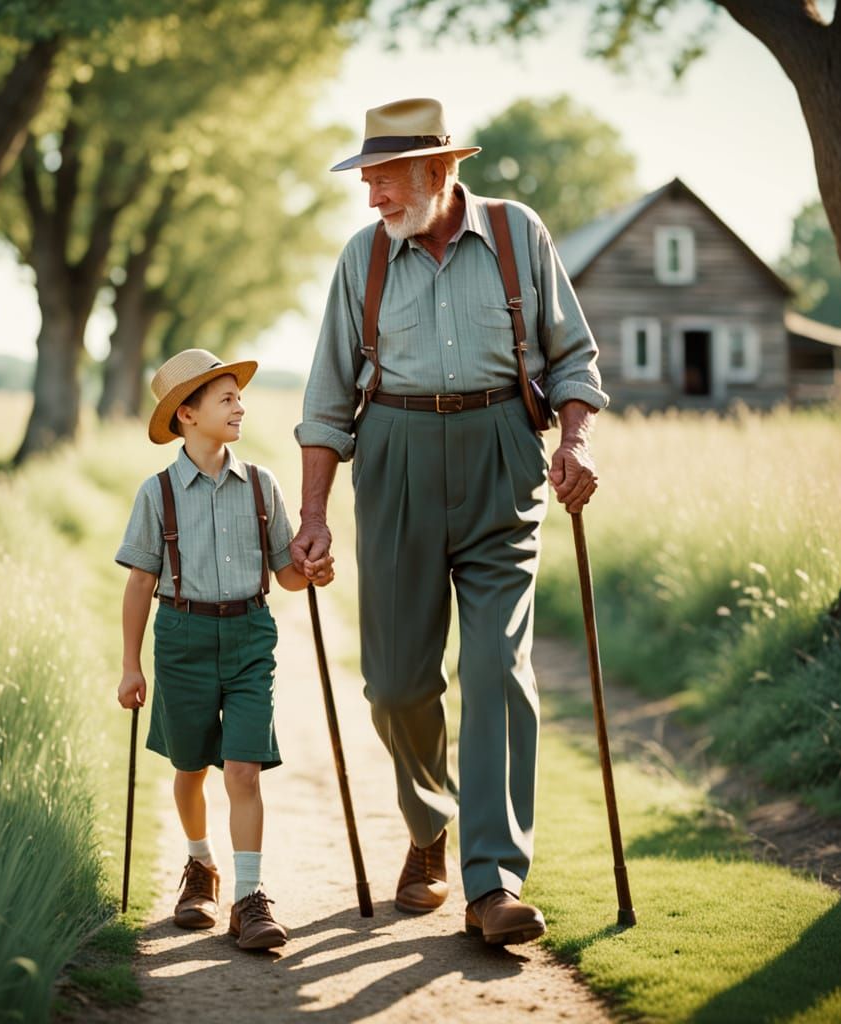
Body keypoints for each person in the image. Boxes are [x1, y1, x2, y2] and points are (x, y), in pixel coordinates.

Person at [291, 98, 607, 946]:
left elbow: (573, 355)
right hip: (392, 455)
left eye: (385, 178)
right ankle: (429, 824)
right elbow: (326, 400)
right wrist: (313, 512)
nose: (372, 198)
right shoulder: (363, 258)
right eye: (367, 180)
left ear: (439, 172)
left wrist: (573, 439)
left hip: (502, 451)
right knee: (396, 682)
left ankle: (492, 881)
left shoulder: (516, 235)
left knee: (498, 666)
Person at [116, 348, 332, 951]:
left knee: (242, 768)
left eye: (239, 396)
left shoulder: (262, 485)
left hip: (248, 638)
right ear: (186, 415)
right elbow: (139, 583)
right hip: (181, 639)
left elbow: (286, 572)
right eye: (226, 398)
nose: (241, 406)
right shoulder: (157, 494)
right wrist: (131, 665)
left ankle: (248, 898)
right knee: (189, 771)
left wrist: (310, 570)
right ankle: (199, 864)